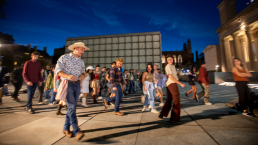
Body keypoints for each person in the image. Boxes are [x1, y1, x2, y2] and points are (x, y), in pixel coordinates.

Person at [55, 42, 88, 140]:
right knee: (72, 107)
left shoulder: (81, 61)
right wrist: (67, 76)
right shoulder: (64, 57)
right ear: (76, 48)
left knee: (72, 108)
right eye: (82, 49)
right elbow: (57, 71)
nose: (83, 51)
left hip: (77, 84)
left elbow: (84, 72)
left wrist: (83, 75)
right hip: (67, 83)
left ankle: (65, 128)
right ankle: (76, 130)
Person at [159, 56, 185, 123]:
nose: (170, 60)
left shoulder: (172, 66)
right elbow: (170, 76)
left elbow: (166, 75)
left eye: (171, 59)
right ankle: (174, 118)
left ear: (173, 59)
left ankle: (162, 114)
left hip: (170, 84)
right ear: (166, 61)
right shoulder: (168, 66)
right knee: (176, 100)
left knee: (169, 100)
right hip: (172, 84)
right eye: (168, 60)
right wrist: (180, 83)